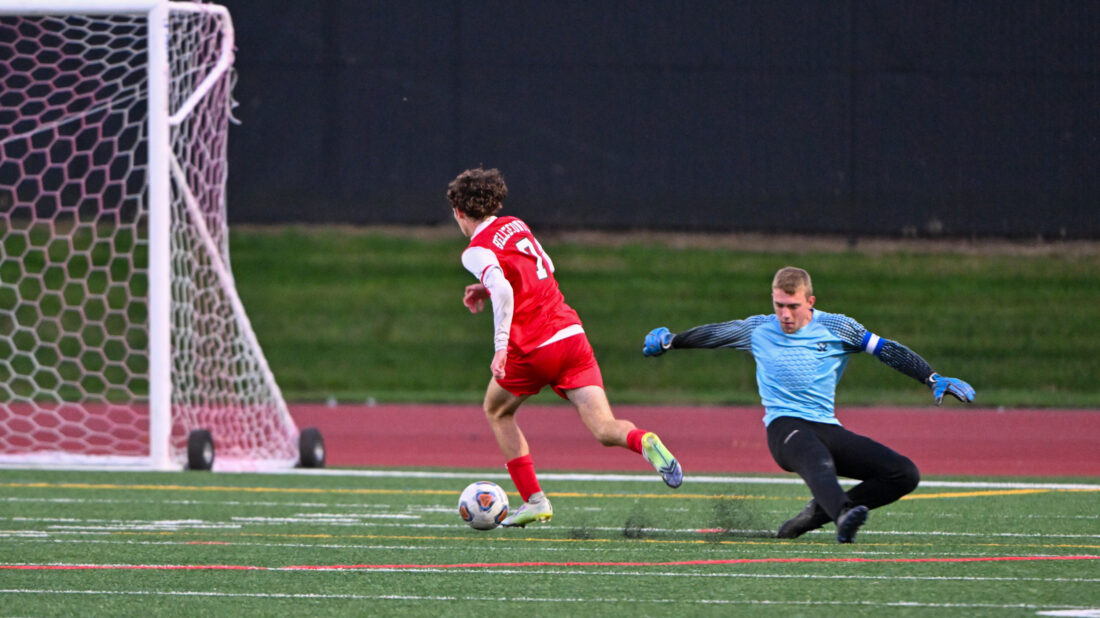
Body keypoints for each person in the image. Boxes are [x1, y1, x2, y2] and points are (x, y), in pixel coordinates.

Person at [643, 266, 974, 543]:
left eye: (793, 306)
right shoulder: (759, 329)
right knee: (816, 457)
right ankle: (843, 515)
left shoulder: (838, 327)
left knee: (904, 473)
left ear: (810, 302)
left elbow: (887, 350)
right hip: (784, 428)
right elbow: (715, 334)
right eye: (779, 305)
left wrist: (931, 378)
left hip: (827, 427)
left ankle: (815, 515)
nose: (785, 315)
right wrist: (671, 341)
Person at [448, 167, 683, 528]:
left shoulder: (475, 249)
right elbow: (544, 266)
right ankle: (643, 440)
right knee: (604, 428)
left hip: (534, 347)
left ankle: (535, 500)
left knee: (496, 410)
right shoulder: (515, 224)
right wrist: (488, 287)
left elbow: (505, 288)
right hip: (571, 336)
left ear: (459, 212)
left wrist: (500, 346)